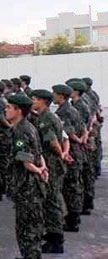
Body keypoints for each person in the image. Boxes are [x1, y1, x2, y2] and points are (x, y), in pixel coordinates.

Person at [5, 94, 47, 259]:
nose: (6, 110)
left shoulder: (21, 130)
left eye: (9, 107)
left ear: (18, 111)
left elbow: (25, 161)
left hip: (26, 186)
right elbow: (39, 153)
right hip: (32, 185)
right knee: (34, 224)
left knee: (26, 226)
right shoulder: (30, 127)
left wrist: (38, 170)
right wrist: (43, 167)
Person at [31, 89, 67, 254]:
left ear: (42, 101)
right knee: (52, 199)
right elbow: (65, 138)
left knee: (51, 201)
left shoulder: (46, 119)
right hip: (53, 163)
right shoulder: (50, 116)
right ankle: (53, 234)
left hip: (51, 164)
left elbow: (53, 142)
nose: (32, 102)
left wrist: (61, 155)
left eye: (35, 99)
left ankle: (56, 239)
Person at [53, 84, 85, 232]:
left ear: (61, 96)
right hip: (75, 150)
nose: (53, 96)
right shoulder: (71, 108)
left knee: (71, 186)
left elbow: (68, 133)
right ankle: (74, 217)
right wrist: (82, 140)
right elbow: (84, 127)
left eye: (55, 93)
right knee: (74, 184)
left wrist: (78, 141)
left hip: (71, 151)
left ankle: (73, 220)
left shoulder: (64, 111)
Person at [68, 80, 96, 215]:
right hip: (79, 142)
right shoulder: (74, 104)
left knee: (85, 173)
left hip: (82, 143)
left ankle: (86, 203)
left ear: (75, 91)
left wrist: (81, 140)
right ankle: (84, 203)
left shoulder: (81, 105)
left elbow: (84, 126)